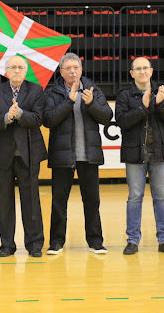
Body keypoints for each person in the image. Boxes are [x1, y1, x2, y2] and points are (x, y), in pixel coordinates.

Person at [43, 52, 112, 255]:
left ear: (81, 70)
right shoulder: (53, 93)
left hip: (88, 155)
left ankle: (95, 241)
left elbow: (107, 116)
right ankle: (56, 242)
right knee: (58, 201)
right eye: (68, 68)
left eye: (76, 67)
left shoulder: (92, 89)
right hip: (62, 156)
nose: (72, 71)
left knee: (92, 200)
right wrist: (68, 102)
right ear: (61, 72)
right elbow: (48, 120)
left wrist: (91, 104)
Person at [115, 57, 164, 255]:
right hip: (135, 154)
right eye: (138, 69)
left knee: (161, 198)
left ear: (151, 71)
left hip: (160, 153)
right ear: (132, 73)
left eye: (145, 68)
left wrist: (160, 104)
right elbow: (121, 121)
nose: (142, 71)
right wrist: (142, 107)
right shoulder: (124, 95)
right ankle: (133, 241)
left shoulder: (163, 92)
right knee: (135, 197)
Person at [0, 55, 46, 258]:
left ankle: (35, 244)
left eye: (20, 67)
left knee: (31, 200)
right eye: (13, 67)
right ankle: (7, 245)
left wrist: (19, 113)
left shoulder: (36, 90)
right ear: (6, 71)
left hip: (29, 153)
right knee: (5, 201)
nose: (17, 70)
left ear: (26, 70)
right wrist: (7, 118)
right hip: (2, 155)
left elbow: (38, 119)